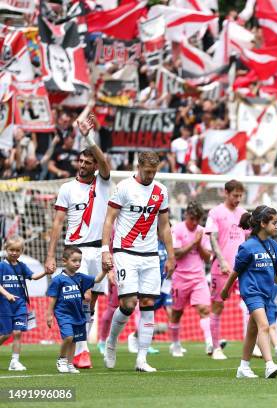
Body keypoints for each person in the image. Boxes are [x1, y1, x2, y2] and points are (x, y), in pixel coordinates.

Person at [45, 113, 111, 369]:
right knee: (80, 298)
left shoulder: (104, 183)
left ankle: (82, 347)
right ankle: (82, 352)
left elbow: (104, 160)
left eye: (87, 161)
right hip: (77, 251)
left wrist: (88, 137)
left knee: (92, 301)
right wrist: (51, 255)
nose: (82, 165)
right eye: (80, 160)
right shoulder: (67, 189)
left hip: (99, 249)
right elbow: (58, 223)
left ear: (95, 166)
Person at [101, 151, 175, 373]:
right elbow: (109, 220)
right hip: (125, 252)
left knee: (148, 304)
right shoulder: (123, 187)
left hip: (151, 255)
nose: (151, 175)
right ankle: (111, 342)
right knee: (128, 303)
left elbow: (164, 225)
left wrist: (170, 255)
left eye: (154, 171)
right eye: (147, 171)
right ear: (138, 167)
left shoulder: (160, 191)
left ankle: (141, 359)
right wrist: (106, 251)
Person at [220, 206, 277, 379]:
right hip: (252, 293)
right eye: (274, 223)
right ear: (262, 223)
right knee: (264, 326)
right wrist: (225, 290)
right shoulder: (247, 247)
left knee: (253, 330)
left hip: (268, 293)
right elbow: (235, 272)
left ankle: (243, 367)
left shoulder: (273, 245)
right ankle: (269, 364)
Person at [46, 246, 108, 374]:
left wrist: (104, 271)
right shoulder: (58, 280)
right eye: (74, 260)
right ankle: (61, 359)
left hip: (77, 314)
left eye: (79, 261)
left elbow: (96, 280)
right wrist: (49, 315)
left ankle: (70, 363)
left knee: (74, 339)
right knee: (68, 337)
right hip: (63, 314)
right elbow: (52, 298)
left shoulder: (81, 277)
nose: (77, 264)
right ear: (64, 261)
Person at [205, 180, 248, 360]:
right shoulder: (215, 213)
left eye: (240, 196)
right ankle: (215, 348)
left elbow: (249, 238)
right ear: (226, 193)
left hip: (242, 268)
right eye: (234, 195)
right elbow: (213, 238)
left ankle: (251, 346)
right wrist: (222, 261)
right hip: (221, 268)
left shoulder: (244, 214)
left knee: (251, 305)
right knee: (217, 306)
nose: (238, 199)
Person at [168, 201, 213, 357]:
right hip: (179, 278)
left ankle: (209, 342)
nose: (194, 223)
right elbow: (176, 254)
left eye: (197, 219)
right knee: (176, 313)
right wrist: (194, 242)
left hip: (198, 278)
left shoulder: (203, 232)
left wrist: (199, 244)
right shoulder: (177, 229)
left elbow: (207, 258)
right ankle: (175, 344)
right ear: (186, 215)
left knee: (205, 309)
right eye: (192, 218)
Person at [0, 236, 51, 371]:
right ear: (6, 249)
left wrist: (45, 272)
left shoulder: (22, 266)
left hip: (20, 304)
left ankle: (14, 361)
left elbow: (33, 277)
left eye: (17, 250)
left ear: (21, 251)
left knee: (17, 332)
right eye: (11, 250)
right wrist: (7, 294)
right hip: (4, 305)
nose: (14, 253)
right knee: (5, 334)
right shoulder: (1, 266)